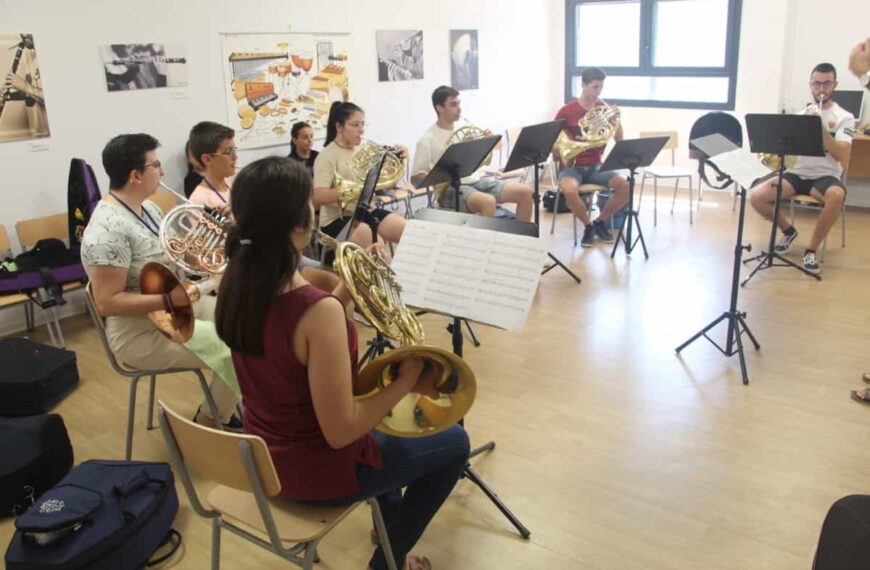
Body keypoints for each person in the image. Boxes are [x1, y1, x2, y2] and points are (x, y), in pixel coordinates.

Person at [215, 156, 469, 570]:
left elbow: (293, 338)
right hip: (312, 472)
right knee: (455, 442)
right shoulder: (317, 313)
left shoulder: (238, 283)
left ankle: (387, 530)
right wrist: (406, 380)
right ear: (302, 225)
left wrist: (347, 292)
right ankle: (388, 562)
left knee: (386, 426)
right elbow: (341, 431)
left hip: (262, 454)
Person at [81, 133, 240, 430]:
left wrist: (216, 230)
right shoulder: (106, 230)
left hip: (175, 309)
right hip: (140, 333)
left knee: (248, 327)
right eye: (156, 165)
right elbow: (107, 302)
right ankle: (211, 420)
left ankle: (227, 404)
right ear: (136, 175)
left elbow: (180, 255)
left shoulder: (149, 209)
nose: (163, 172)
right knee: (237, 351)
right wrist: (170, 299)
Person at [748, 63, 855, 274]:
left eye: (826, 84)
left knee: (836, 195)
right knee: (756, 196)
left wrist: (819, 128)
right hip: (796, 174)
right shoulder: (799, 114)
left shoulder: (845, 117)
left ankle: (811, 250)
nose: (821, 89)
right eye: (817, 84)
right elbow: (786, 151)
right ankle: (788, 231)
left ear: (835, 85)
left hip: (824, 176)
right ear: (810, 85)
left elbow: (842, 155)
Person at [410, 85, 534, 222]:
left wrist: (487, 144)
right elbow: (415, 177)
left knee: (526, 192)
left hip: (475, 181)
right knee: (488, 202)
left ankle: (522, 241)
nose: (459, 109)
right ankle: (485, 243)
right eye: (453, 104)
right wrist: (439, 175)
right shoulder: (427, 139)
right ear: (439, 108)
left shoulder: (462, 129)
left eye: (459, 103)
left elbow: (481, 163)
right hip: (449, 189)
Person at [312, 101, 407, 249]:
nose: (361, 130)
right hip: (337, 219)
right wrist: (352, 189)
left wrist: (400, 160)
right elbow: (317, 197)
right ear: (339, 127)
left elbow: (384, 183)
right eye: (355, 125)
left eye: (363, 124)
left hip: (365, 210)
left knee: (408, 233)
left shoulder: (362, 150)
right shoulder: (326, 156)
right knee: (379, 247)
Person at [553, 67, 630, 248]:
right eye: (595, 87)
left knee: (626, 187)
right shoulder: (566, 111)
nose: (598, 92)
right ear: (583, 85)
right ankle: (588, 226)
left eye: (601, 87)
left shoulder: (603, 110)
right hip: (572, 166)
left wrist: (616, 121)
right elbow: (554, 143)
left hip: (596, 165)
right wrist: (562, 148)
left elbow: (619, 140)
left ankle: (601, 222)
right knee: (569, 189)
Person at [187, 121, 235, 209]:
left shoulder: (231, 182)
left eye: (234, 150)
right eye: (228, 152)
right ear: (208, 159)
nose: (235, 157)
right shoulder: (198, 200)